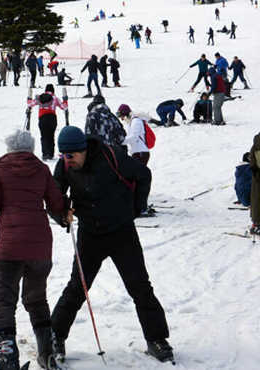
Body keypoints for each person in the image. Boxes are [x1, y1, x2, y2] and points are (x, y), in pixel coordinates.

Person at [50, 126, 173, 364]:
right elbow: (55, 193)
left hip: (121, 232)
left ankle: (157, 339)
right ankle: (55, 336)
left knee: (140, 287)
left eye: (72, 155)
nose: (68, 159)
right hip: (90, 234)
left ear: (83, 150)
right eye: (64, 155)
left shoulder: (111, 156)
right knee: (77, 287)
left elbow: (143, 175)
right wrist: (61, 213)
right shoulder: (65, 165)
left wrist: (136, 208)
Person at [0, 130, 65, 370]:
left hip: (9, 248)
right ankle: (47, 354)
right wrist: (65, 216)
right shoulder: (41, 170)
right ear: (30, 148)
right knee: (37, 298)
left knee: (4, 301)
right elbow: (56, 204)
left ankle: (7, 360)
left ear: (9, 148)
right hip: (40, 246)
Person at [116, 104, 156, 215]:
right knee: (136, 179)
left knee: (139, 179)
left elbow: (133, 137)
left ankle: (140, 206)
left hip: (141, 153)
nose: (122, 118)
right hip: (137, 153)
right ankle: (138, 204)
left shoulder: (136, 121)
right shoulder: (132, 121)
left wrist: (120, 142)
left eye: (122, 116)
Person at [26, 84, 67, 160]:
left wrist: (29, 98)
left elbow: (30, 104)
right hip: (52, 118)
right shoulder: (55, 98)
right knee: (51, 136)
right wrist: (65, 100)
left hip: (42, 118)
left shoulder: (40, 97)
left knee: (44, 136)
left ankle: (45, 154)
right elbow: (64, 107)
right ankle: (51, 154)